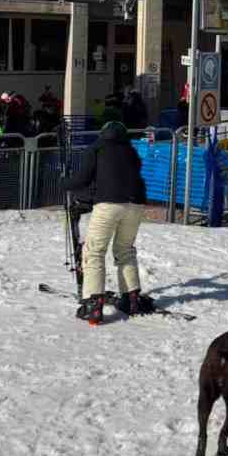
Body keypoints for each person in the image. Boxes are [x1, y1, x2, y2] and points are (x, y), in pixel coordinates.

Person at [61, 120, 154, 325]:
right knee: (125, 250)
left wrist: (64, 182)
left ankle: (94, 304)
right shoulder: (131, 151)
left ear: (103, 134)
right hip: (136, 204)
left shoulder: (97, 148)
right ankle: (131, 299)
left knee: (94, 251)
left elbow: (82, 179)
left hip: (109, 204)